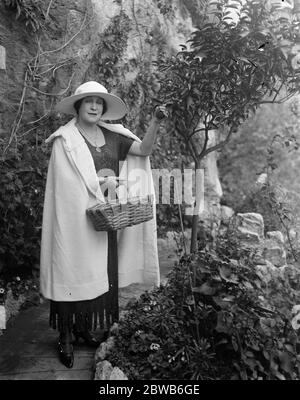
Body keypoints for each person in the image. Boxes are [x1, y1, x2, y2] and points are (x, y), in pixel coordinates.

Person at [40, 81, 168, 368]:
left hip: (104, 220)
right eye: (88, 102)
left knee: (100, 274)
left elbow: (143, 151)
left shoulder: (114, 137)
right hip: (74, 222)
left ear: (104, 108)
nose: (94, 106)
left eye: (99, 102)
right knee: (72, 270)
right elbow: (65, 187)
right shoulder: (66, 141)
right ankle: (66, 336)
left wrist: (156, 122)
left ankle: (84, 328)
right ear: (78, 106)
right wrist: (101, 183)